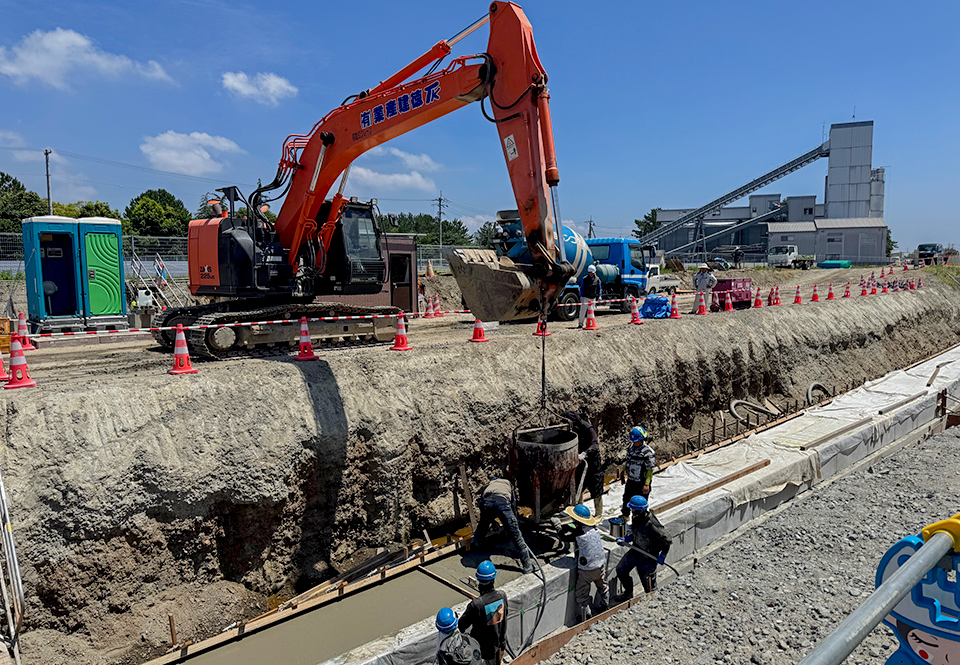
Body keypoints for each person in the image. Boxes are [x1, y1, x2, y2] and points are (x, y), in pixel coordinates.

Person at [615, 495, 671, 598]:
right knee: (621, 570)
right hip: (635, 552)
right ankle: (628, 593)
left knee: (649, 588)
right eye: (632, 509)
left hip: (648, 558)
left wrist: (663, 555)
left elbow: (667, 540)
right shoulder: (636, 517)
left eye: (634, 510)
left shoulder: (652, 524)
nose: (632, 512)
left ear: (641, 510)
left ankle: (653, 602)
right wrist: (627, 539)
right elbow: (635, 530)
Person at [474, 478, 533, 574]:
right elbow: (513, 505)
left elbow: (482, 504)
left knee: (482, 526)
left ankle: (477, 545)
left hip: (487, 503)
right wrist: (514, 522)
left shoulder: (489, 485)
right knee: (517, 537)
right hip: (502, 503)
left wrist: (491, 520)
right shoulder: (508, 485)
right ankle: (528, 567)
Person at [562, 503, 609, 622]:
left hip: (587, 570)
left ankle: (586, 616)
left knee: (581, 594)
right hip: (600, 565)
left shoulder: (579, 534)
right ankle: (605, 606)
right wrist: (569, 527)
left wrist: (558, 527)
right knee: (602, 586)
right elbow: (576, 529)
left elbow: (564, 537)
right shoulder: (594, 529)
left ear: (577, 521)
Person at [459, 561, 509, 665]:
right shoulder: (502, 596)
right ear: (493, 579)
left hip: (480, 650)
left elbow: (461, 625)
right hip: (498, 646)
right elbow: (504, 617)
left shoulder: (476, 605)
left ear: (478, 580)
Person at [560, 410, 605, 517]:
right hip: (580, 463)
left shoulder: (588, 428)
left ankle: (598, 515)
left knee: (596, 490)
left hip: (593, 464)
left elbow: (595, 445)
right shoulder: (572, 429)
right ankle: (579, 511)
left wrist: (585, 453)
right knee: (578, 487)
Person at [620, 426, 655, 518]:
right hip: (631, 480)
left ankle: (640, 519)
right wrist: (623, 472)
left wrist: (647, 484)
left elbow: (649, 470)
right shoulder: (631, 449)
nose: (634, 443)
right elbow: (628, 461)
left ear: (642, 440)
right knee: (626, 498)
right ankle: (625, 515)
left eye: (636, 441)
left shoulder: (648, 452)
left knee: (640, 501)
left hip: (641, 482)